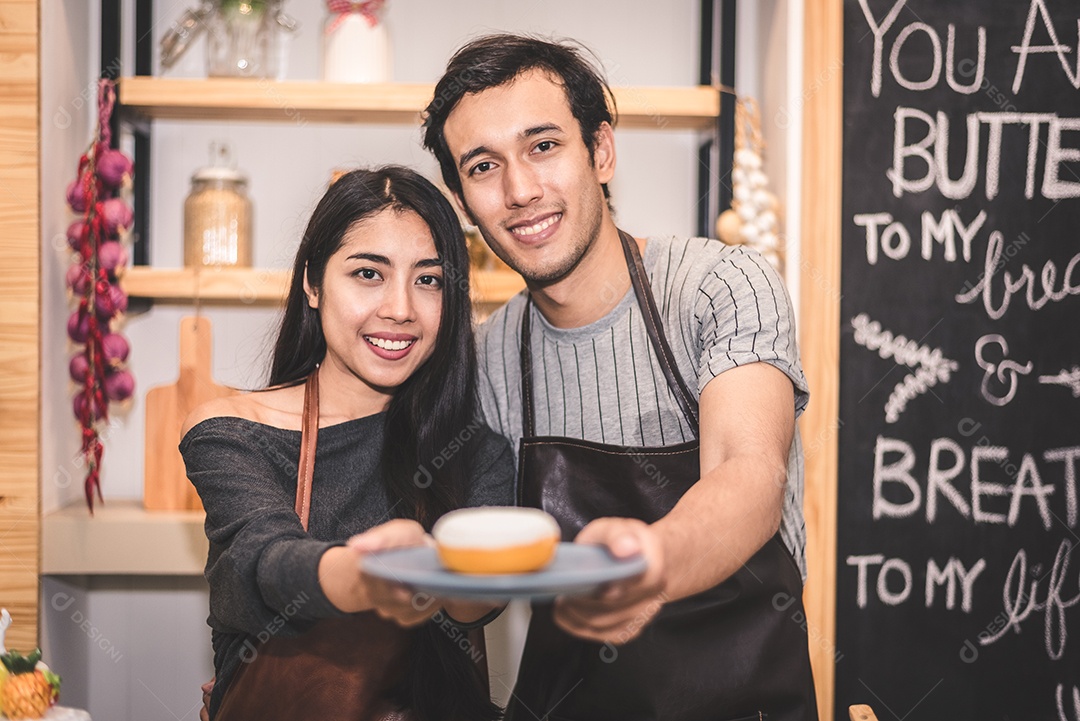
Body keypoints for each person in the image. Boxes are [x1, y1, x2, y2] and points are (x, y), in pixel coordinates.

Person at [422, 34, 818, 720]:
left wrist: (645, 565)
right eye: (484, 167)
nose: (520, 191)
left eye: (543, 146)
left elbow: (750, 474)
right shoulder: (488, 357)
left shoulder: (721, 286)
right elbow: (477, 592)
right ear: (461, 200)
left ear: (600, 151)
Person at [180, 166, 513, 721]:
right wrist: (367, 575)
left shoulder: (474, 451)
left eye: (428, 279)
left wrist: (443, 571)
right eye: (368, 274)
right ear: (312, 283)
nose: (401, 308)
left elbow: (481, 604)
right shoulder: (231, 431)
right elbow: (263, 561)